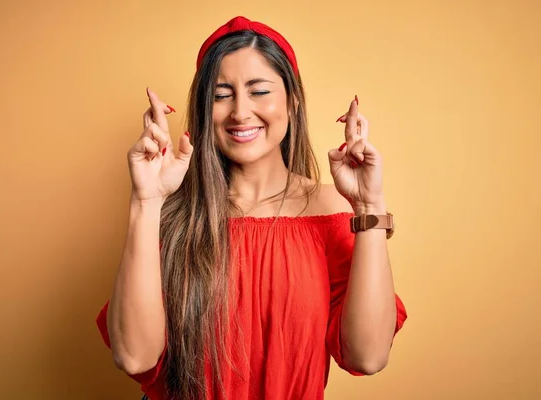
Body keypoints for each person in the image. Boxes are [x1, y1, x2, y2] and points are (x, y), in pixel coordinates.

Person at [95, 16, 407, 400]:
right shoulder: (172, 214)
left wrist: (369, 205)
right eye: (222, 95)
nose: (240, 112)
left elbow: (368, 356)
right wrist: (144, 201)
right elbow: (134, 356)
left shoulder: (332, 212)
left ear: (292, 102)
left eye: (259, 91)